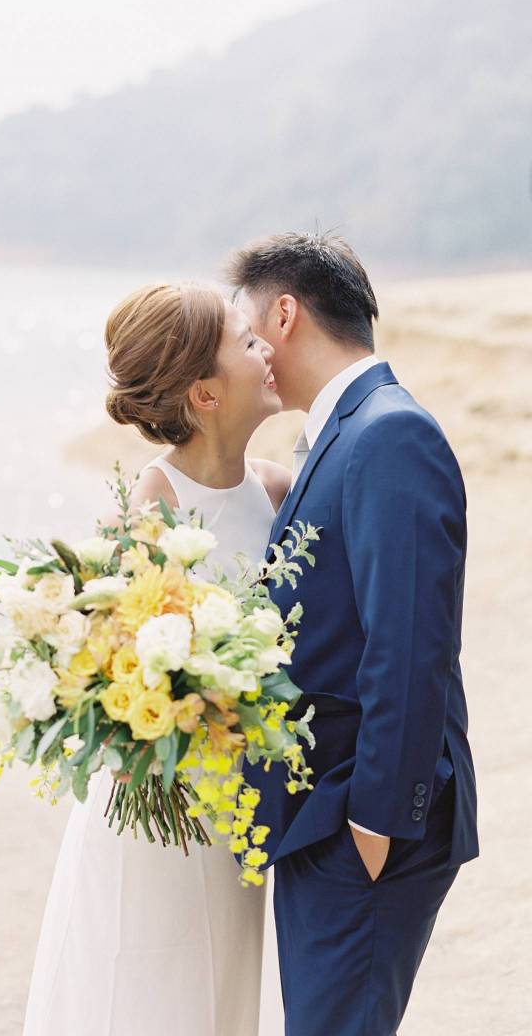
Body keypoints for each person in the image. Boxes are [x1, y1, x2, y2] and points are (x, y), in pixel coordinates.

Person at [23, 282, 290, 1036]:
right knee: (149, 992)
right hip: (156, 808)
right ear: (204, 393)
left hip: (239, 808)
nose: (265, 348)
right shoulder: (146, 511)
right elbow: (106, 674)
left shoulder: (279, 491)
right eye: (245, 342)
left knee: (227, 994)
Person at [229, 231, 479, 1035]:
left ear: (286, 312)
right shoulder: (338, 434)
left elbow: (411, 646)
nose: (245, 350)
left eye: (245, 328)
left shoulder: (388, 433)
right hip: (325, 814)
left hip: (364, 820)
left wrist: (374, 825)